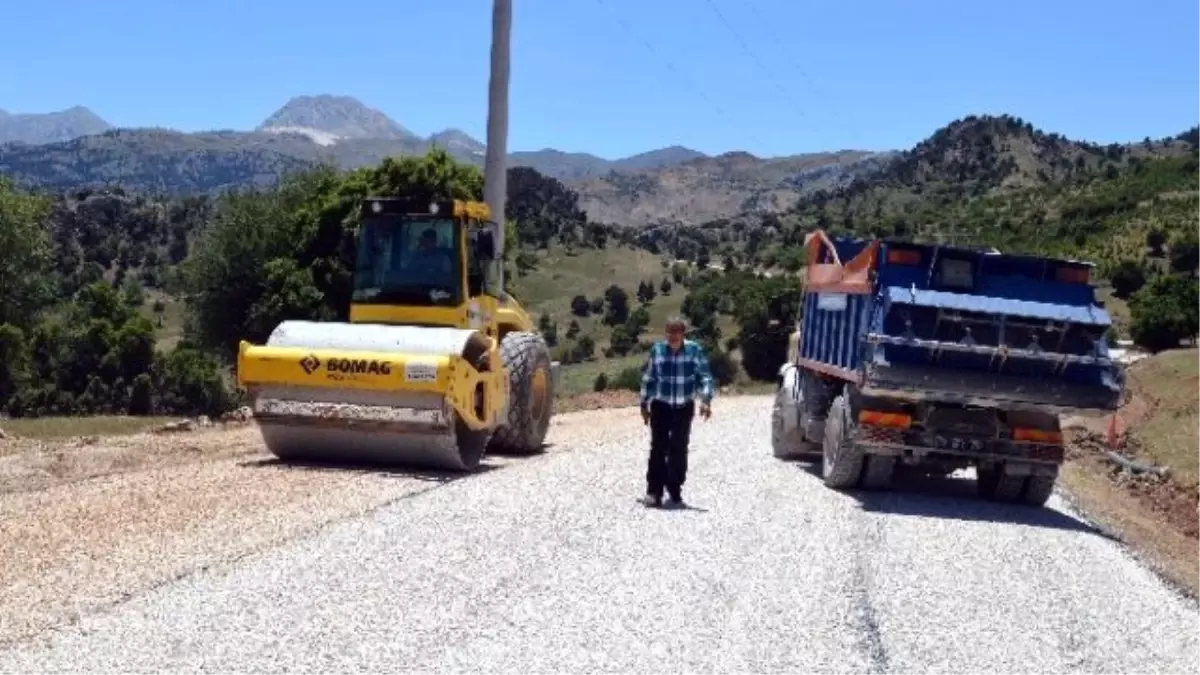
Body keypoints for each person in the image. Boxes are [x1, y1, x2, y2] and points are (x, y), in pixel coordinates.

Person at [637, 316, 715, 508]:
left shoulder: (694, 350)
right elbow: (649, 378)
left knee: (679, 449)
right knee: (658, 448)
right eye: (670, 331)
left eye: (677, 331)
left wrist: (705, 400)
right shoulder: (658, 350)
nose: (673, 335)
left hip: (683, 407)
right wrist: (643, 403)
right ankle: (654, 492)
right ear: (666, 332)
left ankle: (674, 489)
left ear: (683, 333)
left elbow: (705, 376)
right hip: (661, 406)